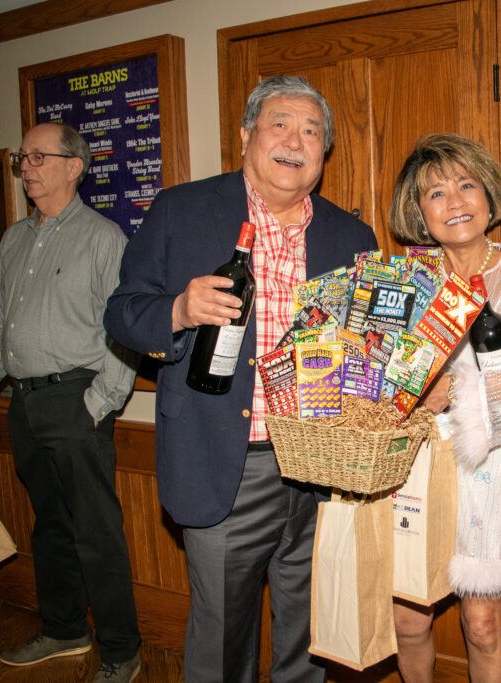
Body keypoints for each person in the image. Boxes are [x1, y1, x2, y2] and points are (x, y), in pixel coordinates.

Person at [104, 75, 377, 682]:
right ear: (247, 134)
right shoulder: (181, 210)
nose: (295, 141)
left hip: (321, 469)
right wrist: (179, 310)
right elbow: (121, 312)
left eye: (311, 131)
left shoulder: (352, 237)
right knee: (223, 644)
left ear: (325, 152)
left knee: (311, 638)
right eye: (280, 123)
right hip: (225, 462)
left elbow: (367, 352)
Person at [387, 134, 501, 682]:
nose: (455, 202)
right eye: (436, 193)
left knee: (483, 622)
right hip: (414, 460)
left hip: (490, 463)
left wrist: (457, 390)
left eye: (466, 185)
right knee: (408, 620)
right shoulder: (406, 280)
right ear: (420, 213)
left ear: (488, 195)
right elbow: (377, 365)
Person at [0, 123, 141, 682]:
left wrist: (99, 403)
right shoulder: (13, 239)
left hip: (76, 400)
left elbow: (124, 330)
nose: (27, 166)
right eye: (23, 157)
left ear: (74, 167)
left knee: (95, 532)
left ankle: (121, 652)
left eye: (39, 157)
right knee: (49, 528)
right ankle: (64, 629)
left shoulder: (103, 238)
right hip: (24, 402)